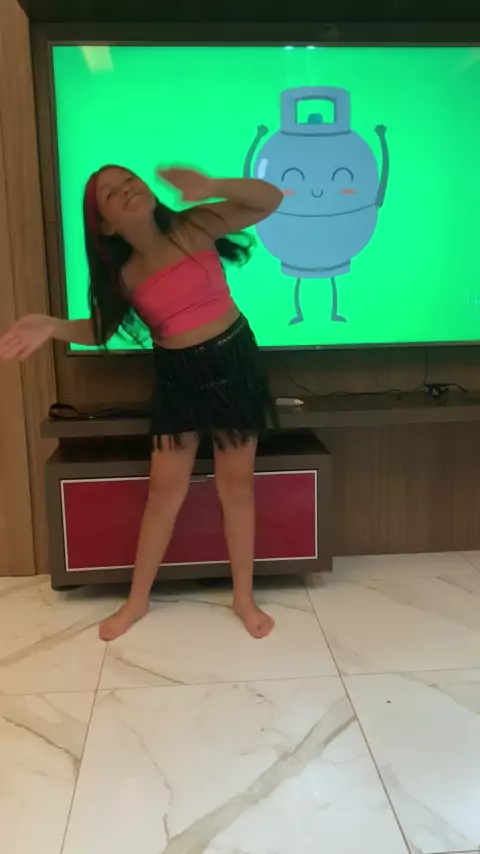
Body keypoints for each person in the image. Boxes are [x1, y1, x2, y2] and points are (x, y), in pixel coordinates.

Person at [0, 164, 283, 641]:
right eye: (111, 193)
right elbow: (100, 330)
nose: (126, 188)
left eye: (129, 179)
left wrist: (213, 187)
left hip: (234, 363)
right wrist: (51, 326)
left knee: (236, 488)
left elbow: (269, 199)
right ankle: (136, 601)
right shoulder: (125, 276)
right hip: (177, 378)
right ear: (106, 225)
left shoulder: (194, 226)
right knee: (163, 495)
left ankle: (243, 597)